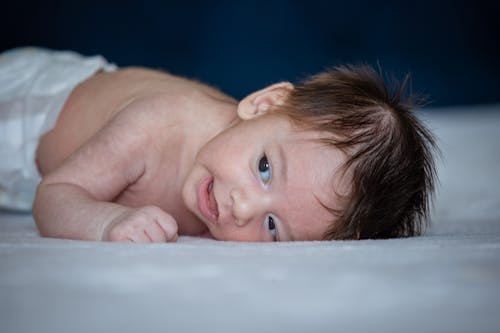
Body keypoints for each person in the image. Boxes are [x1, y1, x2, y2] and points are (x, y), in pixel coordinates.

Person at [0, 47, 437, 242]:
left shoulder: (235, 161)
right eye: (265, 168)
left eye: (272, 228)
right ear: (263, 103)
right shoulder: (156, 126)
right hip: (21, 107)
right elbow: (54, 195)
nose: (243, 208)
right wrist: (106, 224)